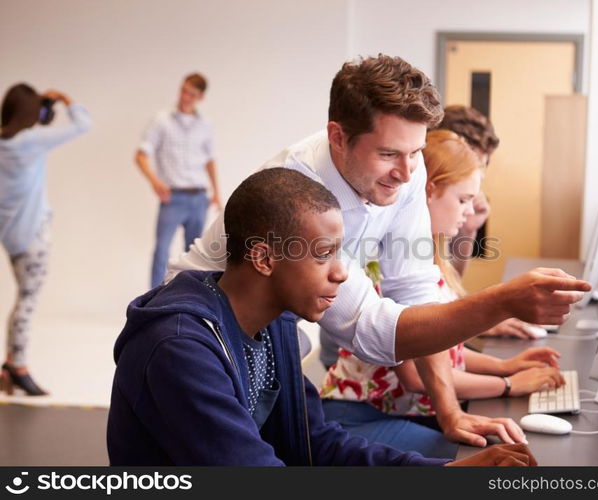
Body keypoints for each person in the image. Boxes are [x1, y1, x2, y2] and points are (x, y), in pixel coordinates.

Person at [167, 54, 591, 446]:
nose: (407, 173)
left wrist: (449, 413)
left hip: (276, 335)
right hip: (209, 331)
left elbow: (416, 291)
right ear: (337, 136)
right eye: (388, 153)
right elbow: (374, 332)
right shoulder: (298, 190)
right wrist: (503, 302)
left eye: (415, 152)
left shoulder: (406, 165)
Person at [107, 168, 537, 466]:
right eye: (323, 254)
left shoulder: (272, 325)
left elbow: (314, 442)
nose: (340, 272)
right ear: (263, 259)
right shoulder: (179, 349)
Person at [320, 130, 564, 458]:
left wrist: (505, 367)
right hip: (356, 419)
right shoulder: (386, 268)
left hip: (396, 410)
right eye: (462, 200)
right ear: (429, 191)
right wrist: (508, 385)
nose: (467, 214)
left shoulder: (429, 261)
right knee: (483, 455)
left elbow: (445, 354)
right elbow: (415, 377)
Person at [0, 84, 91, 395]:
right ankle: (17, 366)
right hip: (33, 236)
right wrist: (67, 100)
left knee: (22, 298)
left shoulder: (5, 142)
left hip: (10, 237)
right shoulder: (31, 142)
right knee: (28, 300)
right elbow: (83, 125)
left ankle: (11, 364)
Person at [436, 105, 538, 339]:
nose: (478, 176)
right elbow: (418, 318)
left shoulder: (454, 207)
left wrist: (469, 229)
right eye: (472, 164)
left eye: (483, 166)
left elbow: (449, 287)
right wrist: (479, 323)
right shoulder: (426, 207)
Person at [136, 73, 222, 288]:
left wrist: (216, 192)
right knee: (162, 250)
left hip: (198, 197)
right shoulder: (162, 120)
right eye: (183, 90)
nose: (185, 97)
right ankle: (154, 300)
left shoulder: (205, 125)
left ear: (200, 97)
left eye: (191, 94)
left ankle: (188, 300)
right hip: (172, 197)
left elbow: (209, 160)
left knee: (195, 256)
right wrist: (155, 182)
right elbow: (141, 155)